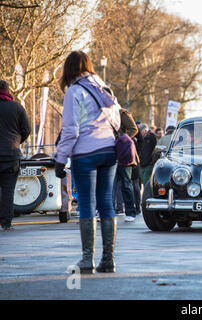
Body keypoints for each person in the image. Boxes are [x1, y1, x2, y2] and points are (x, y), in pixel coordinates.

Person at [55, 51, 121, 273]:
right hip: (109, 150)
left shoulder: (74, 91)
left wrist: (60, 158)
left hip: (86, 153)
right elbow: (118, 119)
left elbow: (70, 130)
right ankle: (109, 259)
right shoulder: (103, 86)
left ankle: (87, 259)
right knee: (106, 203)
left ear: (69, 69)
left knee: (86, 204)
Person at [0, 80, 31, 231]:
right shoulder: (17, 107)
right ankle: (6, 223)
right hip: (11, 155)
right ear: (8, 91)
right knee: (8, 190)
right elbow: (26, 129)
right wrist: (17, 141)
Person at [113, 108, 139, 222]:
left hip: (123, 153)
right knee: (108, 185)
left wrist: (120, 140)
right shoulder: (101, 113)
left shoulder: (121, 113)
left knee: (126, 183)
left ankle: (130, 211)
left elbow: (133, 129)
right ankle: (106, 211)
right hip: (108, 151)